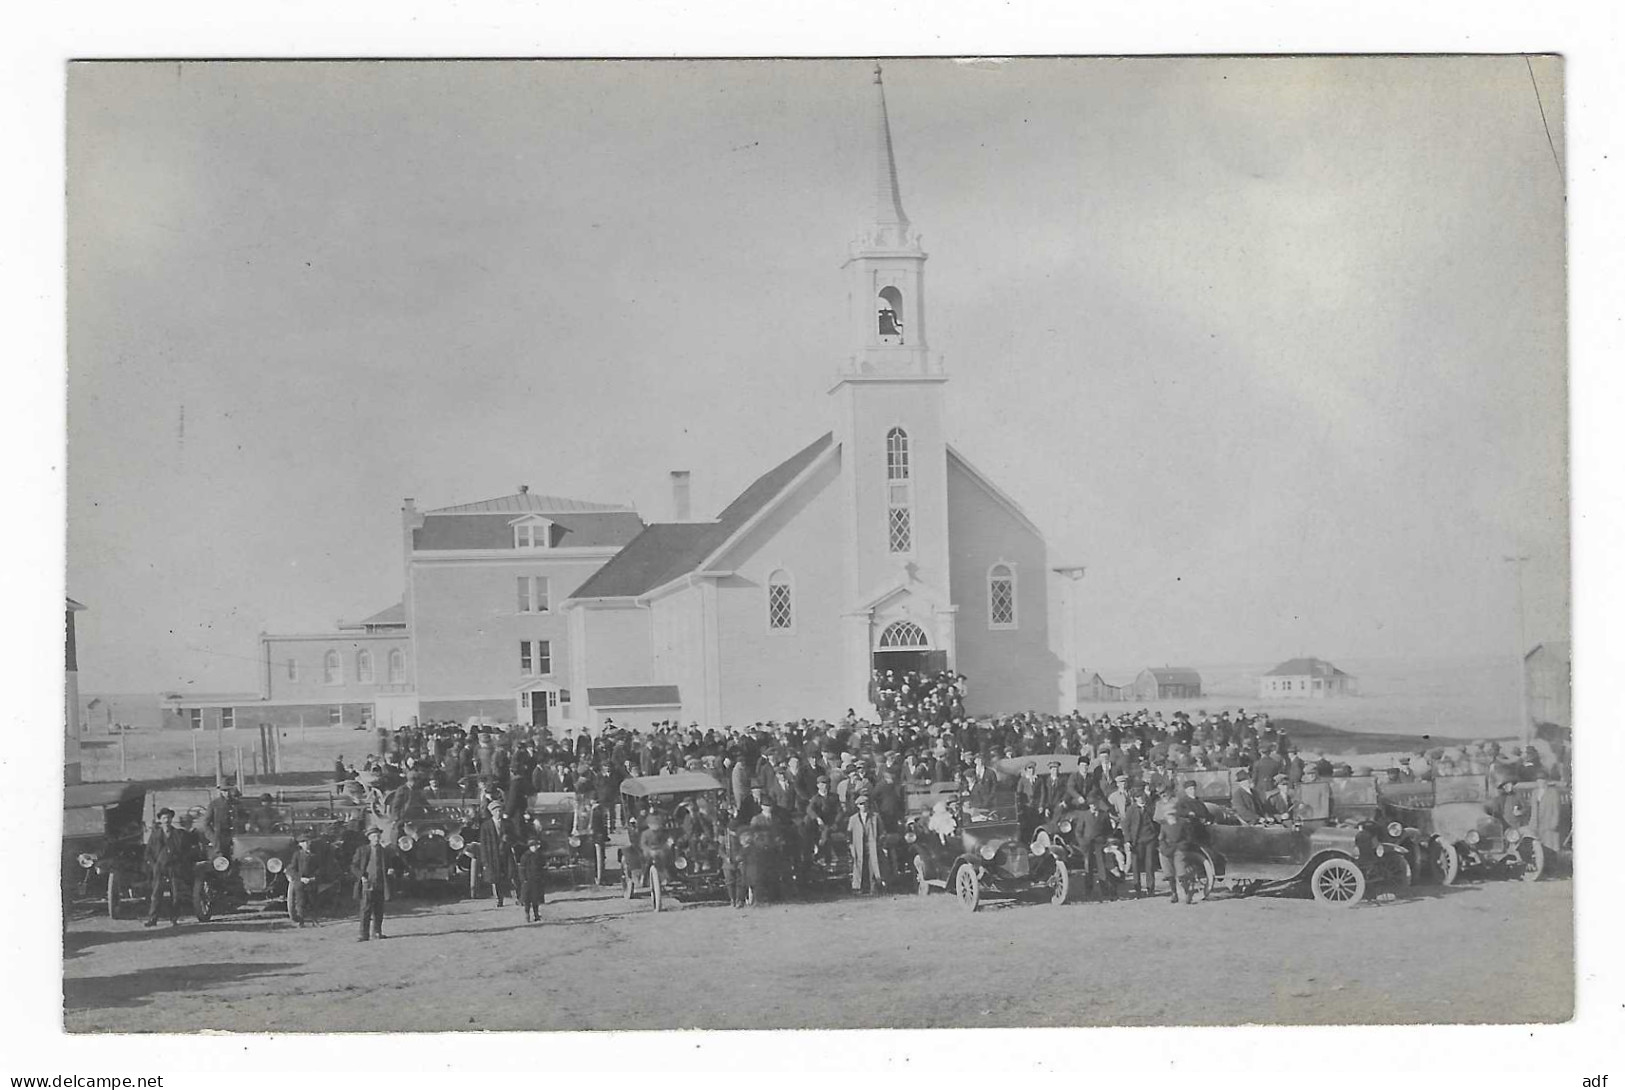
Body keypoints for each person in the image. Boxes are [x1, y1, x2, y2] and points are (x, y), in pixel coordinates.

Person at [350, 826, 395, 941]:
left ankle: (377, 932)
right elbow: (353, 866)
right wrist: (361, 876)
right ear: (369, 838)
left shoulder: (384, 851)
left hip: (380, 883)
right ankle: (363, 934)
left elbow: (390, 865)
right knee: (365, 910)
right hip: (367, 884)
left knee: (379, 910)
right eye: (374, 836)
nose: (377, 838)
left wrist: (390, 869)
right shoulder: (362, 850)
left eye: (378, 836)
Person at [142, 808, 185, 927]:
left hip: (174, 868)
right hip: (159, 868)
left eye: (169, 818)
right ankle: (153, 919)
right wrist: (154, 865)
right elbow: (148, 852)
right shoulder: (155, 835)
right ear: (160, 820)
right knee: (156, 894)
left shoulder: (178, 834)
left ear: (172, 819)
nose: (167, 820)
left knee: (176, 894)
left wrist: (179, 863)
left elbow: (183, 851)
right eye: (164, 818)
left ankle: (174, 918)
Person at [847, 794, 888, 894]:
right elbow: (849, 834)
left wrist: (880, 843)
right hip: (858, 846)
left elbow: (882, 832)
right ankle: (859, 887)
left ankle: (874, 887)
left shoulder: (875, 817)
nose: (863, 806)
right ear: (857, 806)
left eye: (865, 804)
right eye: (861, 804)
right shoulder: (853, 819)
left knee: (873, 866)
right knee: (860, 865)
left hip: (872, 845)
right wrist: (851, 846)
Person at [285, 831, 321, 926]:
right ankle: (301, 921)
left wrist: (314, 878)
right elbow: (292, 869)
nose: (307, 844)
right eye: (304, 842)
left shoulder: (315, 855)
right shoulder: (297, 855)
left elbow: (319, 868)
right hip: (300, 882)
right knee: (300, 902)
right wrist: (300, 878)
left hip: (311, 882)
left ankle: (315, 920)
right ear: (300, 844)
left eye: (308, 841)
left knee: (313, 901)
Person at [517, 836, 546, 922]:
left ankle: (536, 915)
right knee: (527, 900)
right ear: (530, 846)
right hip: (528, 881)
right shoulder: (525, 856)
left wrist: (542, 877)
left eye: (536, 845)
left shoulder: (539, 855)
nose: (536, 847)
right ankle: (527, 914)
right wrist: (524, 879)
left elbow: (542, 867)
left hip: (536, 880)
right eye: (534, 846)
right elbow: (522, 869)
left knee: (535, 899)